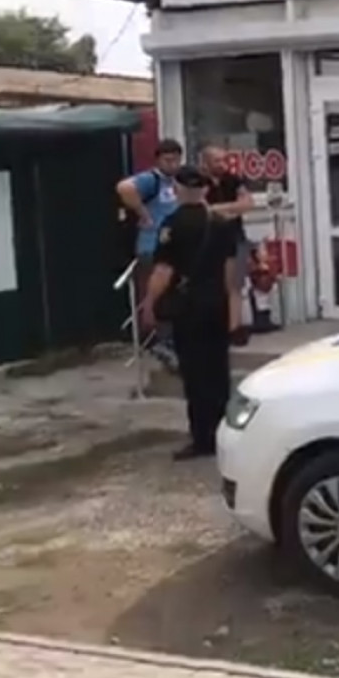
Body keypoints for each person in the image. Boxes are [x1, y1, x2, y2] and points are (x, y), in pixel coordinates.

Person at [141, 167, 239, 461]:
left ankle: (202, 437)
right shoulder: (221, 224)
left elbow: (164, 271)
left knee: (195, 375)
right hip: (217, 305)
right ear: (205, 190)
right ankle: (224, 434)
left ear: (177, 190)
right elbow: (231, 275)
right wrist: (235, 314)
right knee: (218, 372)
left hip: (189, 307)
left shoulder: (172, 225)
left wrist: (149, 304)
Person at [116, 139, 185, 371]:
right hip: (151, 246)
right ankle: (158, 340)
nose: (172, 164)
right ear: (158, 160)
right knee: (157, 295)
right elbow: (125, 188)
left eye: (176, 160)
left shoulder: (177, 182)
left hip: (174, 248)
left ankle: (172, 341)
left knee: (175, 295)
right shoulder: (152, 179)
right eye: (167, 160)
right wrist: (143, 214)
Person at [199, 145, 256, 341]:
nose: (222, 164)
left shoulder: (233, 180)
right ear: (205, 162)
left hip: (235, 236)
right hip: (208, 240)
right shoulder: (199, 182)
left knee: (235, 284)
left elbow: (248, 203)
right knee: (212, 285)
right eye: (217, 161)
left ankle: (234, 328)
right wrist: (231, 209)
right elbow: (203, 210)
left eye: (224, 160)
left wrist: (219, 208)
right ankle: (212, 328)